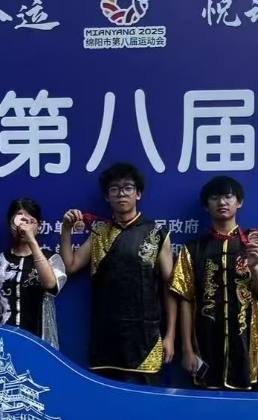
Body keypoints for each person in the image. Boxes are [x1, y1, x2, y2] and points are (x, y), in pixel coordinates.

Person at [61, 162, 175, 386]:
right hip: (106, 338)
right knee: (106, 401)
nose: (121, 194)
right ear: (107, 197)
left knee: (146, 402)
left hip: (145, 340)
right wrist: (66, 230)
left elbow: (170, 287)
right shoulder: (99, 233)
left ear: (138, 193)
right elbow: (71, 266)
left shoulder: (156, 232)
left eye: (128, 188)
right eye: (115, 189)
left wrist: (170, 335)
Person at [172, 176, 258, 391]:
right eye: (215, 197)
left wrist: (254, 267)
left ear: (239, 202)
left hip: (245, 346)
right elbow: (185, 301)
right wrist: (187, 350)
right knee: (204, 408)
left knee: (245, 409)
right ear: (206, 206)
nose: (222, 202)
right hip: (204, 345)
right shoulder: (193, 249)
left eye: (228, 196)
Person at [0, 198, 67, 348]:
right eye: (17, 221)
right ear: (10, 225)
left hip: (39, 342)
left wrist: (32, 241)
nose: (23, 226)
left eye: (30, 221)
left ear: (39, 226)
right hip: (4, 343)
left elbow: (51, 285)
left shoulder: (51, 259)